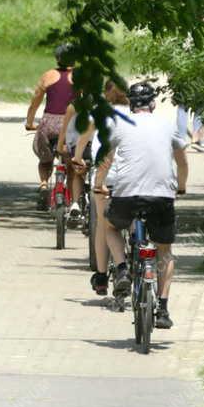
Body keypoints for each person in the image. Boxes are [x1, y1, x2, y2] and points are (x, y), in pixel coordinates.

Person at [94, 82, 188, 329]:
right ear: (153, 104)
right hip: (161, 197)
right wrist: (181, 186)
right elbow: (182, 162)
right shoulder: (168, 126)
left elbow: (106, 157)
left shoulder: (121, 124)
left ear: (131, 105)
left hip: (126, 195)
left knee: (110, 226)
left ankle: (123, 268)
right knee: (165, 251)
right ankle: (164, 310)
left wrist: (99, 184)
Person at [73, 81, 130, 295]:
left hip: (106, 175)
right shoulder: (137, 114)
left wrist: (78, 158)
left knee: (104, 226)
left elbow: (83, 139)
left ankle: (102, 276)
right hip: (135, 175)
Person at [26, 44, 76, 210]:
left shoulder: (48, 75)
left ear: (57, 58)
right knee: (72, 161)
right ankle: (72, 196)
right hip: (70, 124)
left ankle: (44, 184)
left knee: (45, 159)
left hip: (49, 124)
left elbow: (35, 102)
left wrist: (29, 123)